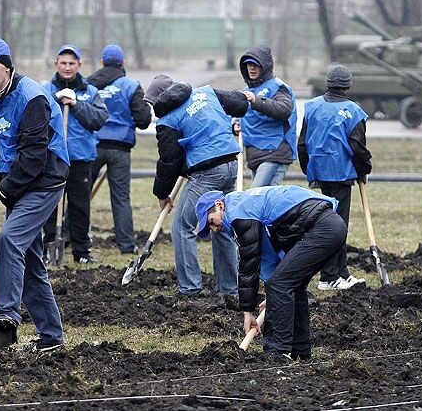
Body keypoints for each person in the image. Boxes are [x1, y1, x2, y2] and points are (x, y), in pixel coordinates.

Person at [0, 37, 69, 352]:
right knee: (29, 261)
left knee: (10, 239)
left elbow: (33, 158)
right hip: (18, 178)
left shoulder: (32, 99)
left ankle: (7, 316)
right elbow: (4, 132)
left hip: (44, 179)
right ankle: (51, 337)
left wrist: (1, 190)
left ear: (7, 66)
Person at [194, 185, 345, 361]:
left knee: (281, 284)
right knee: (291, 286)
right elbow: (271, 258)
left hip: (321, 228)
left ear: (219, 205)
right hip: (329, 226)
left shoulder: (238, 213)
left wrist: (248, 311)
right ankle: (300, 352)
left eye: (211, 222)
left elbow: (249, 262)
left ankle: (278, 352)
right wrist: (272, 295)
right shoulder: (245, 205)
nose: (214, 229)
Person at [145, 74, 248, 299]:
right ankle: (228, 289)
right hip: (232, 164)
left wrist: (161, 193)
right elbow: (240, 104)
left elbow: (169, 160)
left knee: (182, 227)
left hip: (207, 173)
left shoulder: (167, 121)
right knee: (221, 225)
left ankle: (190, 288)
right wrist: (244, 97)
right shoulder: (207, 93)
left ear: (159, 100)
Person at [298, 64, 372, 291]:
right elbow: (357, 146)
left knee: (327, 221)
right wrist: (364, 169)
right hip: (340, 173)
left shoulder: (312, 107)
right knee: (337, 225)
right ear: (348, 85)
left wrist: (308, 168)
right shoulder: (353, 112)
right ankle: (330, 277)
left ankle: (340, 273)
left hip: (319, 172)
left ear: (328, 83)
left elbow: (302, 143)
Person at [41, 44, 108, 264]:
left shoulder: (89, 92)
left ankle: (81, 251)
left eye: (72, 63)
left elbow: (98, 119)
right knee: (50, 205)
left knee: (80, 206)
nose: (67, 67)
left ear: (79, 65)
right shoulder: (46, 90)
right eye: (63, 63)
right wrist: (56, 104)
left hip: (80, 158)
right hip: (53, 158)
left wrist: (76, 104)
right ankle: (49, 247)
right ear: (56, 64)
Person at [86, 43, 151, 254]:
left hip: (92, 146)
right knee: (121, 198)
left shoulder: (89, 85)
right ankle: (126, 245)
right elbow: (143, 120)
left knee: (81, 194)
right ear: (123, 63)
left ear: (102, 62)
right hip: (120, 149)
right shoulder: (131, 86)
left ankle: (70, 235)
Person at [238, 46, 297, 187]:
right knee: (262, 201)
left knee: (257, 196)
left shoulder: (278, 88)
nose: (251, 68)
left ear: (264, 67)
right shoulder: (247, 91)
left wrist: (256, 100)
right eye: (248, 65)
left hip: (274, 152)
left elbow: (284, 110)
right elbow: (242, 115)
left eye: (256, 65)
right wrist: (235, 123)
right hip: (255, 154)